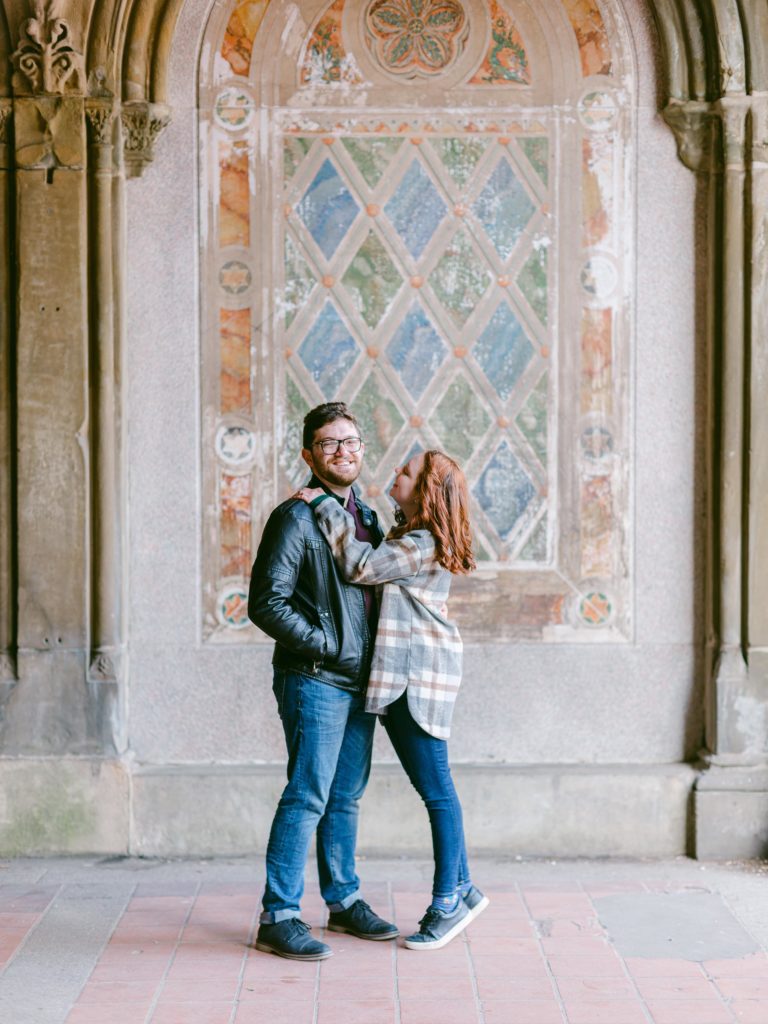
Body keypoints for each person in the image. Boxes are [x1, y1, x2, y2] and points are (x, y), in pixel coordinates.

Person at [295, 449, 489, 951]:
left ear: (424, 490)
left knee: (438, 791)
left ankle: (449, 900)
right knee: (436, 790)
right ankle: (464, 890)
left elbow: (360, 566)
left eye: (406, 472)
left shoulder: (421, 544)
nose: (394, 474)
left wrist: (324, 504)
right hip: (398, 681)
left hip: (417, 680)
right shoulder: (407, 536)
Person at [248, 402, 399, 961]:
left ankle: (343, 901)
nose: (343, 451)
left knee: (346, 796)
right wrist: (328, 644)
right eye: (330, 443)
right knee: (308, 793)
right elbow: (265, 603)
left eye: (352, 442)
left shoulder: (369, 517)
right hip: (314, 678)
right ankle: (279, 914)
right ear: (309, 454)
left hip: (362, 682)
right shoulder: (295, 516)